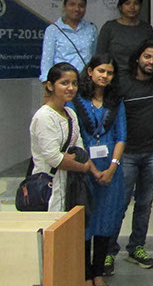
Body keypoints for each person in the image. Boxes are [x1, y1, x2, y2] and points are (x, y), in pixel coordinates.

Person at [105, 39, 153, 274]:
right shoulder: (121, 83)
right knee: (119, 204)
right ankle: (108, 252)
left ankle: (136, 248)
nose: (151, 61)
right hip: (127, 155)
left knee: (144, 204)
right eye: (147, 56)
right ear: (138, 58)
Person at [68, 54, 126, 286]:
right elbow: (76, 138)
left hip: (111, 171)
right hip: (83, 168)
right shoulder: (76, 101)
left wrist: (113, 167)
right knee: (85, 221)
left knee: (106, 220)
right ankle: (84, 275)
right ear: (90, 71)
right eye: (101, 71)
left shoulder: (116, 101)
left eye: (109, 73)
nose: (105, 76)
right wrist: (91, 169)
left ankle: (98, 273)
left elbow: (121, 136)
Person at [29, 62, 98, 213]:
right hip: (46, 187)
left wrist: (71, 157)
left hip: (70, 185)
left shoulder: (70, 113)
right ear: (50, 86)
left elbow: (79, 148)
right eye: (64, 83)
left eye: (74, 83)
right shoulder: (44, 116)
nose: (71, 88)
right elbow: (54, 158)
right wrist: (82, 167)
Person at [39, 0, 97, 83]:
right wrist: (46, 82)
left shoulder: (91, 29)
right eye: (72, 4)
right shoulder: (53, 30)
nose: (77, 9)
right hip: (62, 81)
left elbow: (94, 56)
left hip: (85, 82)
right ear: (64, 6)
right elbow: (47, 61)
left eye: (81, 6)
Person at [96, 0, 153, 80]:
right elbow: (100, 55)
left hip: (140, 78)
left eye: (136, 3)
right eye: (127, 3)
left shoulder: (146, 29)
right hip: (114, 78)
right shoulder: (109, 27)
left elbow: (152, 54)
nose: (132, 7)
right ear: (120, 7)